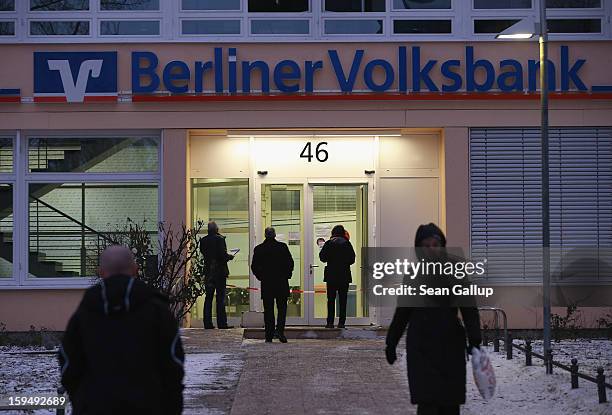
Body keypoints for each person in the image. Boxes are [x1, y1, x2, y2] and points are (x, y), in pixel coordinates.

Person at [58, 245, 184, 415]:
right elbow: (173, 362)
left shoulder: (87, 310)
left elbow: (68, 360)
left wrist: (80, 399)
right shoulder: (156, 309)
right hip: (150, 405)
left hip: (95, 405)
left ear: (101, 272)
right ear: (135, 270)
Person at [385, 223, 481, 415]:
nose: (431, 249)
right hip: (421, 345)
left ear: (442, 245)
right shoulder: (413, 274)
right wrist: (391, 342)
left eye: (435, 244)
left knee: (449, 403)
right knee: (427, 402)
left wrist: (475, 339)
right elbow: (403, 311)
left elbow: (469, 307)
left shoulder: (456, 269)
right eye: (426, 245)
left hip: (450, 344)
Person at [251, 227, 294, 343]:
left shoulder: (259, 249)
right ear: (274, 235)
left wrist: (261, 277)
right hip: (281, 283)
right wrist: (287, 275)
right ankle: (280, 332)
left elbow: (254, 266)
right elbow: (290, 263)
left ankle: (269, 334)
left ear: (265, 235)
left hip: (267, 283)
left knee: (268, 310)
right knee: (282, 309)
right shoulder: (282, 247)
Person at [319, 224, 356, 329]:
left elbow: (322, 257)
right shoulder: (347, 244)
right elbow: (352, 259)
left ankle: (330, 323)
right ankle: (341, 323)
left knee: (330, 299)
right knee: (343, 300)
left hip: (331, 275)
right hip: (344, 275)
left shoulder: (329, 243)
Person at [200, 221, 235, 329]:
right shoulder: (220, 239)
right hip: (219, 272)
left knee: (208, 298)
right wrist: (230, 256)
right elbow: (222, 255)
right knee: (220, 298)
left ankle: (207, 323)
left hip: (209, 272)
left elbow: (204, 254)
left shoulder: (204, 241)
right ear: (216, 229)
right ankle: (222, 323)